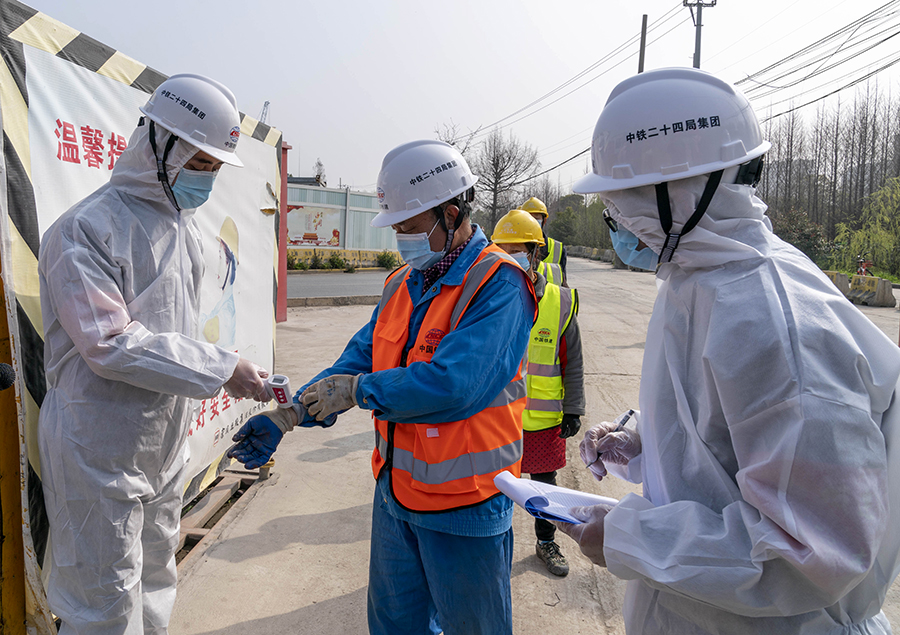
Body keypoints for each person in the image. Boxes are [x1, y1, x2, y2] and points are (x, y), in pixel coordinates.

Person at [552, 66, 900, 635]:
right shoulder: (696, 280)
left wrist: (628, 538)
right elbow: (726, 434)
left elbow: (812, 554)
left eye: (625, 201)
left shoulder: (777, 320)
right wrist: (642, 438)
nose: (619, 222)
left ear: (684, 192)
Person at [228, 140, 537, 635]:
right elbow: (354, 361)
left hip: (465, 506)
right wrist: (289, 414)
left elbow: (453, 387)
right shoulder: (401, 283)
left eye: (410, 228)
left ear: (451, 214)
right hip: (395, 497)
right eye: (396, 228)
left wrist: (360, 390)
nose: (401, 240)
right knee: (395, 627)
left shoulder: (499, 285)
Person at [37, 73, 271, 635]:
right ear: (159, 143)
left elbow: (177, 330)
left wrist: (219, 366)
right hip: (98, 449)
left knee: (155, 583)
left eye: (216, 169)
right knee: (104, 603)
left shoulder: (181, 232)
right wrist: (221, 369)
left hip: (161, 444)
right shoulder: (84, 231)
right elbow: (110, 344)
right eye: (201, 164)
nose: (208, 180)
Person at [491, 209, 584, 577]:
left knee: (544, 490)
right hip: (496, 419)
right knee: (494, 489)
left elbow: (572, 359)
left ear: (537, 254)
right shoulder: (484, 296)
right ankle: (492, 547)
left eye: (518, 251)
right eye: (502, 249)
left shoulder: (559, 301)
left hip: (544, 418)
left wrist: (573, 408)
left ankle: (547, 541)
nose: (509, 258)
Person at [520, 196, 568, 286]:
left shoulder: (558, 249)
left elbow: (562, 283)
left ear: (544, 221)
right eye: (528, 218)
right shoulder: (513, 247)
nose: (531, 222)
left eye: (536, 218)